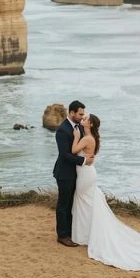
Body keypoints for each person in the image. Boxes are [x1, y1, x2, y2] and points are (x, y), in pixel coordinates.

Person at [70, 113, 140, 271]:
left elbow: (73, 150)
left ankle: (85, 236)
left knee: (83, 202)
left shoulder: (86, 138)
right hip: (88, 172)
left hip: (86, 174)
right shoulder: (93, 138)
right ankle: (85, 235)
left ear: (90, 124)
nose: (82, 120)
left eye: (85, 119)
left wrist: (76, 136)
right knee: (86, 204)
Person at [53, 100, 94, 247]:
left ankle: (70, 232)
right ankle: (62, 236)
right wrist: (83, 160)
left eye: (83, 114)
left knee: (71, 204)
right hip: (64, 173)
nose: (82, 117)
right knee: (63, 204)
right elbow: (64, 155)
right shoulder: (62, 130)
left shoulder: (80, 128)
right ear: (71, 113)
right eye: (80, 114)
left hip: (77, 173)